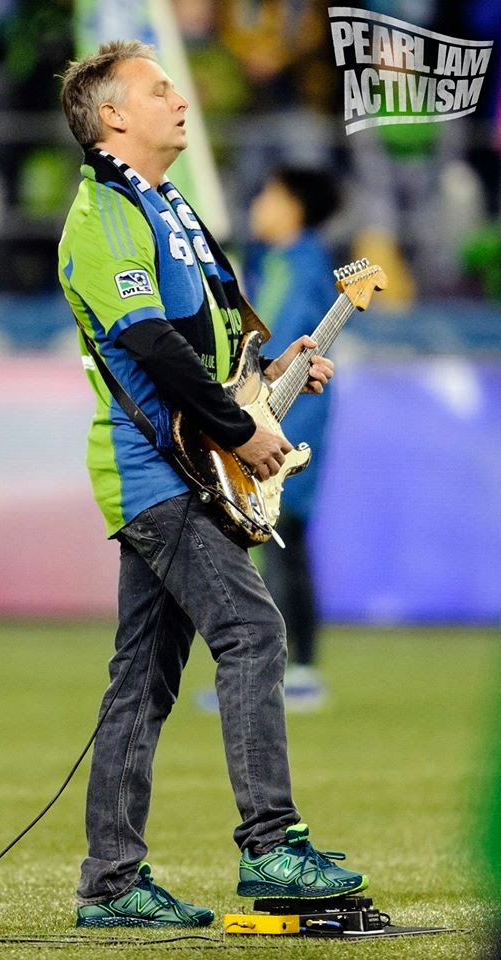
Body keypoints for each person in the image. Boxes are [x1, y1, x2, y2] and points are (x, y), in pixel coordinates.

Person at [58, 39, 367, 929]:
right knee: (252, 628)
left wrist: (274, 368)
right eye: (161, 90)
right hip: (154, 469)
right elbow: (148, 343)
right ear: (114, 116)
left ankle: (111, 883)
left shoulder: (166, 206)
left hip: (187, 465)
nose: (181, 99)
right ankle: (271, 844)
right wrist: (243, 430)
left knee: (141, 682)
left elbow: (210, 344)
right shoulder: (104, 211)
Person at [245, 167, 340, 711]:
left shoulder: (294, 266)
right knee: (283, 545)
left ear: (293, 208)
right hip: (286, 417)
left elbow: (272, 344)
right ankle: (285, 669)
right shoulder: (282, 262)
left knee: (282, 543)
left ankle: (294, 670)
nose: (258, 203)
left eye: (268, 193)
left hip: (284, 422)